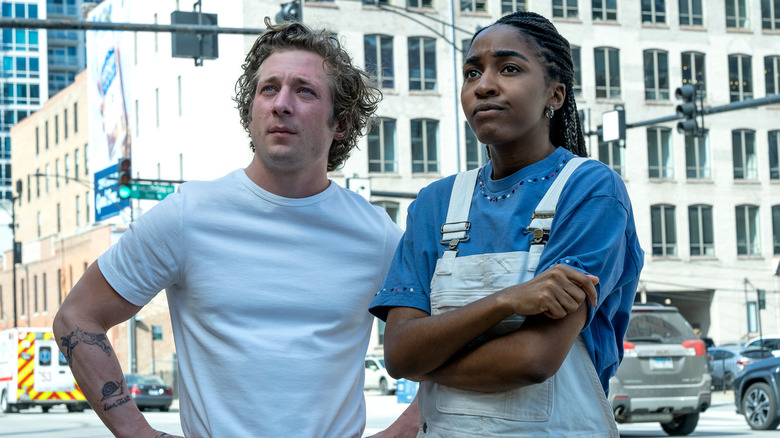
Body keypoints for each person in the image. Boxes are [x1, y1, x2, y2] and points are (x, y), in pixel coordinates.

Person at [53, 18, 418, 438]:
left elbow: (449, 335)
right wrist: (139, 433)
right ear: (250, 113)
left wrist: (404, 430)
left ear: (342, 123)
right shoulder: (188, 215)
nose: (281, 104)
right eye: (269, 89)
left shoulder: (377, 235)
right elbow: (77, 317)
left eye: (304, 90)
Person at [369, 11, 644, 437]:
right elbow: (400, 354)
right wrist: (507, 301)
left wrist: (428, 359)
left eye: (509, 68)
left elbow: (533, 359)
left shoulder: (592, 191)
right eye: (472, 72)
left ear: (555, 95)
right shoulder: (434, 203)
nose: (484, 85)